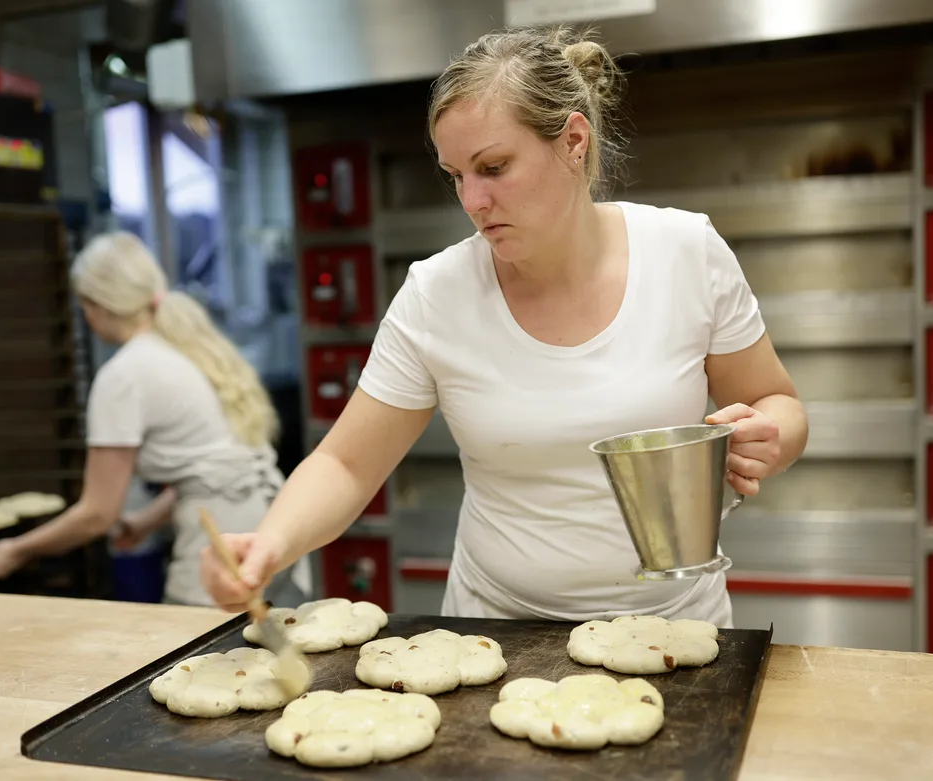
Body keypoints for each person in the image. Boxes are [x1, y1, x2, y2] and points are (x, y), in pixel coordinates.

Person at [200, 25, 809, 627]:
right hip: (497, 635)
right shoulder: (438, 294)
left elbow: (774, 401)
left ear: (573, 140)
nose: (472, 200)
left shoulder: (685, 253)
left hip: (674, 626)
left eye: (493, 167)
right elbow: (348, 464)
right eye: (456, 175)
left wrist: (770, 435)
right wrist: (271, 544)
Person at [0, 231, 311, 608]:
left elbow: (97, 514)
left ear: (94, 306)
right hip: (271, 532)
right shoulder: (194, 347)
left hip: (222, 549)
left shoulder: (123, 375)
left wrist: (17, 550)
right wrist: (148, 520)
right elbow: (209, 464)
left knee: (199, 662)